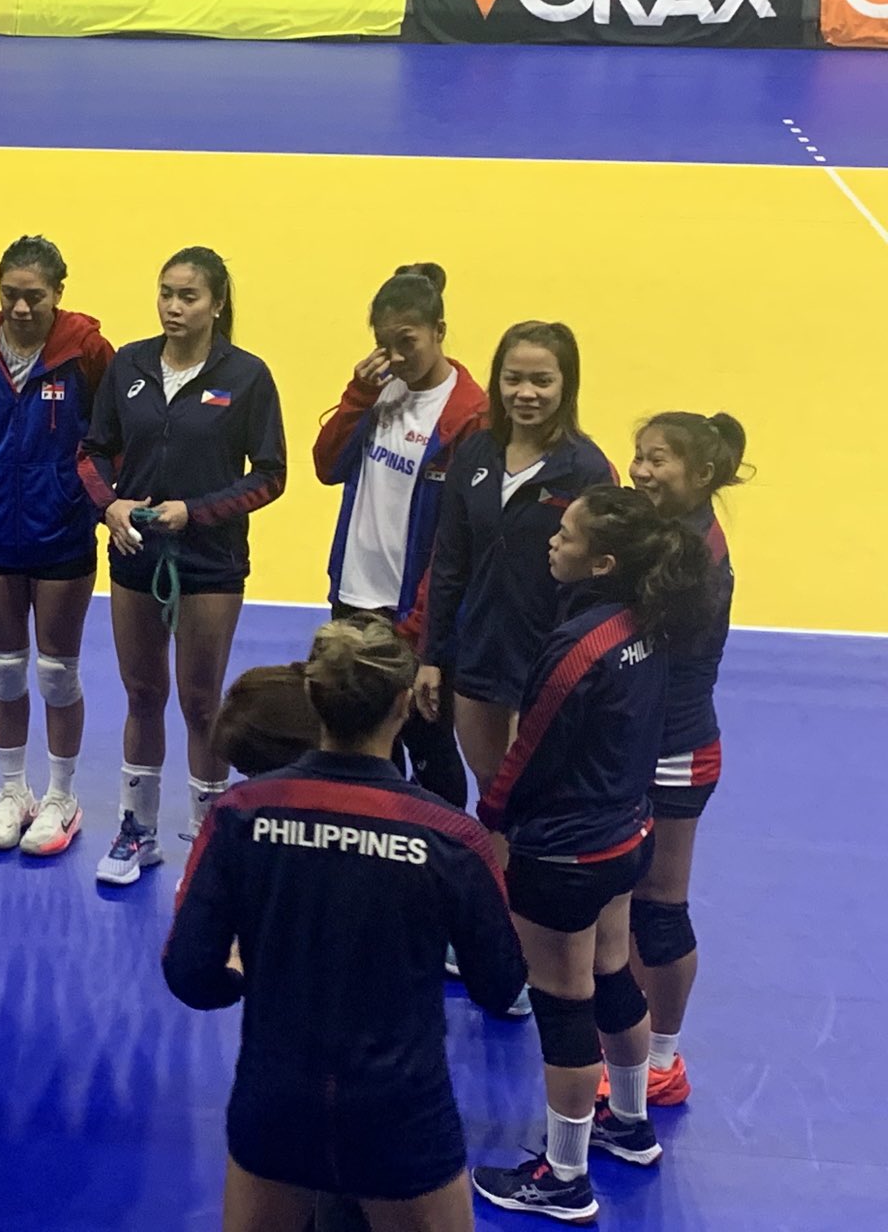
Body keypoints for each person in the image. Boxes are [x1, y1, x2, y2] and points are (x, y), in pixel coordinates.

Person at [166, 617, 525, 1232]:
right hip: (400, 1112)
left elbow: (190, 973)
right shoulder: (452, 837)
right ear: (404, 706)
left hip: (276, 1100)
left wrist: (248, 973)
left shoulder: (238, 815)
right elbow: (499, 984)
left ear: (313, 697)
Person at [471, 488, 714, 1222]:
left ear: (601, 562)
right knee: (611, 973)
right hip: (624, 834)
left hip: (564, 852)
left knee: (561, 1000)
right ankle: (630, 1124)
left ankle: (565, 1176)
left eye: (567, 535)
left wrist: (493, 816)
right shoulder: (651, 624)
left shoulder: (580, 645)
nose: (554, 541)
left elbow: (531, 743)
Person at [79, 247, 286, 886]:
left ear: (217, 303)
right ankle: (137, 830)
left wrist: (192, 512)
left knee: (200, 703)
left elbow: (271, 477)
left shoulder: (247, 376)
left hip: (211, 561)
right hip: (136, 555)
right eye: (166, 292)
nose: (174, 306)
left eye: (189, 296)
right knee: (143, 694)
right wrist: (110, 507)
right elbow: (92, 453)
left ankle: (207, 838)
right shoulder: (129, 365)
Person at [0, 235, 113, 856]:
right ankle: (13, 790)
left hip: (62, 530)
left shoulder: (89, 352)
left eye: (34, 297)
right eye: (10, 295)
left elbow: (107, 437)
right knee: (5, 667)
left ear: (58, 294)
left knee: (55, 671)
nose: (21, 309)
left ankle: (61, 795)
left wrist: (86, 497)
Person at [415, 322, 615, 820]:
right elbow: (450, 564)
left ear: (566, 385)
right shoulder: (477, 454)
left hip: (547, 659)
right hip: (480, 652)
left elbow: (598, 584)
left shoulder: (587, 470)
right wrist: (432, 655)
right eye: (513, 379)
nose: (525, 393)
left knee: (536, 792)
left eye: (542, 381)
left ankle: (527, 896)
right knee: (492, 793)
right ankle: (496, 895)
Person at [313, 263, 484, 808]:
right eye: (383, 344)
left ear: (438, 329)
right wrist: (358, 395)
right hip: (354, 598)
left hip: (412, 610)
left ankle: (442, 849)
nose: (395, 356)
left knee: (428, 743)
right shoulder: (378, 391)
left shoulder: (468, 416)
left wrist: (422, 622)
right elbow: (326, 465)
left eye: (406, 342)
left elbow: (460, 540)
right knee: (363, 749)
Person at [616, 411, 746, 1108]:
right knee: (636, 905)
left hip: (677, 751)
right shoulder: (677, 533)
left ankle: (662, 1058)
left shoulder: (691, 557)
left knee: (660, 907)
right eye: (638, 455)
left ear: (702, 475)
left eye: (658, 460)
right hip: (648, 746)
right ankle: (639, 1048)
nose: (641, 470)